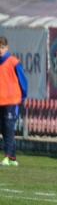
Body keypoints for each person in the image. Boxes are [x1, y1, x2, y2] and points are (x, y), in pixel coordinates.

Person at [0, 36, 28, 167]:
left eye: (2, 47)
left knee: (9, 128)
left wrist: (23, 96)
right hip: (1, 101)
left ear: (7, 48)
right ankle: (12, 157)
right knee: (4, 129)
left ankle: (6, 156)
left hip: (12, 101)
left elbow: (23, 80)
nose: (0, 50)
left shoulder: (14, 62)